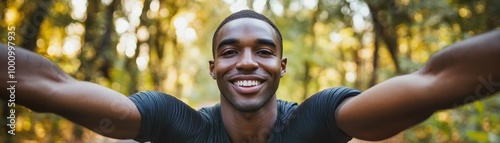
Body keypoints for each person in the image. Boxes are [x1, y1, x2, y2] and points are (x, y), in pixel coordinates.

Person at [1, 10, 499, 143]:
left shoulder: (317, 122)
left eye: (263, 51)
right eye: (229, 51)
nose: (246, 62)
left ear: (281, 66)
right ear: (213, 67)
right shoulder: (178, 125)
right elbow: (54, 87)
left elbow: (436, 81)